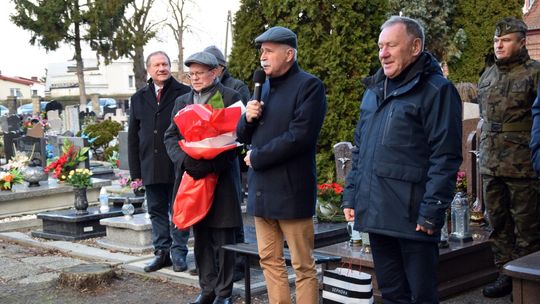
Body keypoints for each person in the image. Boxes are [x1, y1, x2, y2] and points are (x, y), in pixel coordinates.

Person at [342, 16, 462, 303]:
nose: (383, 53)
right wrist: (351, 196)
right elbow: (360, 149)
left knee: (421, 296)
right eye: (381, 46)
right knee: (393, 295)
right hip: (378, 214)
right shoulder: (373, 92)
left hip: (414, 219)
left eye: (391, 45)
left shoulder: (437, 91)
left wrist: (432, 210)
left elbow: (445, 157)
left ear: (415, 46)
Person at [236, 26, 327, 304]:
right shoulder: (261, 88)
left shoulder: (309, 86)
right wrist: (247, 118)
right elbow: (241, 135)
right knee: (270, 263)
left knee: (302, 266)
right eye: (261, 51)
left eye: (269, 51)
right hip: (262, 192)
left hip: (291, 191)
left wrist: (258, 157)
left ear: (289, 54)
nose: (263, 57)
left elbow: (299, 137)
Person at [164, 51, 243, 304]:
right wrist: (186, 161)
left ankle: (224, 292)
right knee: (202, 237)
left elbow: (237, 141)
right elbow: (171, 137)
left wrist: (212, 164)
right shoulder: (182, 101)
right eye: (191, 74)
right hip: (192, 178)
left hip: (220, 180)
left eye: (199, 73)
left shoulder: (230, 98)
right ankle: (207, 289)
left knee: (223, 238)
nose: (195, 78)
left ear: (215, 72)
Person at [478, 17, 540, 298]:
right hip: (491, 164)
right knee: (498, 224)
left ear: (522, 42)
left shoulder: (535, 73)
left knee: (528, 226)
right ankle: (505, 274)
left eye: (505, 40)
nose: (498, 44)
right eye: (496, 40)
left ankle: (528, 281)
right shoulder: (488, 74)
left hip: (523, 164)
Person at [128, 51, 191, 273]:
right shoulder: (138, 98)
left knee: (179, 211)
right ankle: (162, 252)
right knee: (156, 210)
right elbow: (133, 137)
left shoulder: (184, 93)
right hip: (150, 164)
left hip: (177, 163)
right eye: (156, 65)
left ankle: (179, 252)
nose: (161, 68)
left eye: (165, 64)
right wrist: (136, 171)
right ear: (149, 69)